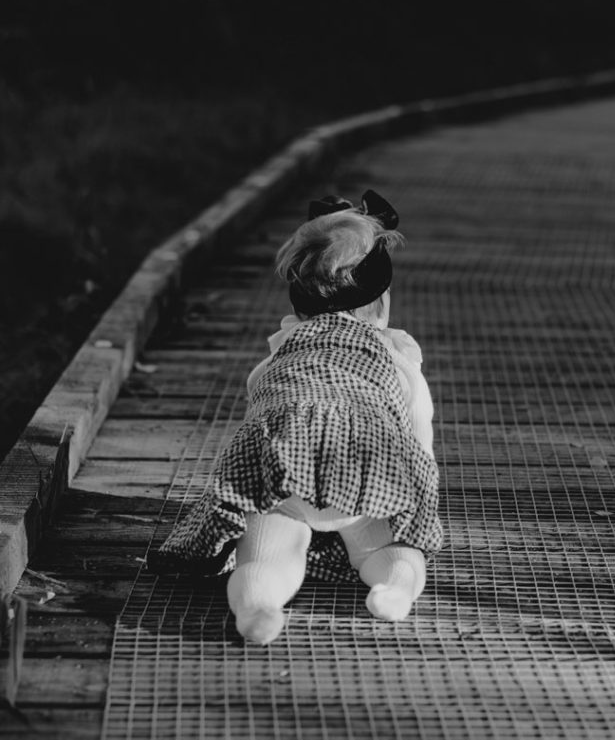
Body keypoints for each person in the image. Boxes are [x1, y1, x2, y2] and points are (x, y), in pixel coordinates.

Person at [157, 190, 442, 644]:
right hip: (368, 470)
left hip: (283, 477)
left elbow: (262, 409)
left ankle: (258, 608)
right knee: (391, 549)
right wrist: (412, 500)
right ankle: (394, 589)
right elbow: (417, 435)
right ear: (382, 304)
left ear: (298, 306)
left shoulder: (277, 359)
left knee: (265, 556)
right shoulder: (397, 361)